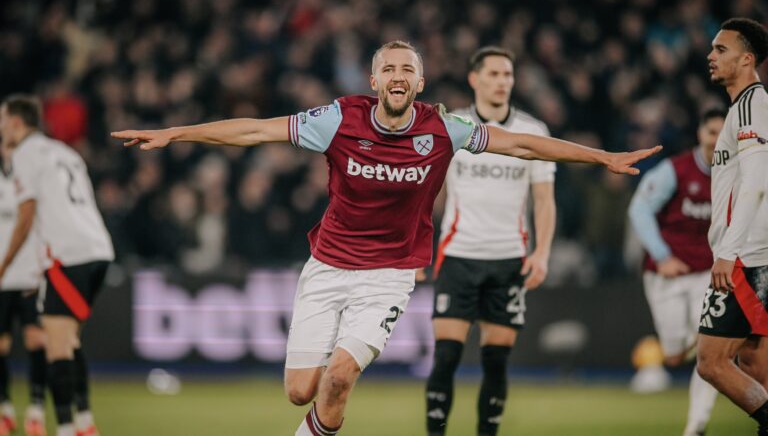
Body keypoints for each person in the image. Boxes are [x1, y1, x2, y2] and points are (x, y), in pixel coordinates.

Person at [112, 40, 660, 436]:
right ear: (374, 81)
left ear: (419, 83)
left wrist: (601, 157)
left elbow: (522, 146)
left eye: (408, 69)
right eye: (388, 68)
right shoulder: (337, 120)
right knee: (302, 390)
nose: (398, 75)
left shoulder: (443, 128)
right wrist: (176, 133)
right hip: (326, 267)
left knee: (340, 377)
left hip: (389, 276)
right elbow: (255, 130)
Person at [424, 46, 555, 436]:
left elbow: (544, 201)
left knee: (496, 361)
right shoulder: (453, 126)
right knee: (446, 357)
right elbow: (429, 195)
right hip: (458, 256)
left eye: (508, 75)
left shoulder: (532, 132)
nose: (502, 82)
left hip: (509, 259)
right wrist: (418, 248)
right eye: (494, 74)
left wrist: (542, 252)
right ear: (474, 79)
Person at [0, 95, 115, 436]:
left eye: (2, 120)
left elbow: (26, 215)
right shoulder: (66, 152)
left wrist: (4, 265)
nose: (1, 128)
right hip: (98, 250)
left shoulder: (24, 154)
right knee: (70, 343)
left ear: (18, 123)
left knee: (57, 346)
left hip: (67, 255)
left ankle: (66, 428)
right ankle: (84, 423)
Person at [628, 109, 726, 436]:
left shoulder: (736, 173)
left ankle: (696, 426)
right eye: (711, 131)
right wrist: (663, 255)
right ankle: (678, 346)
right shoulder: (675, 170)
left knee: (708, 354)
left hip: (707, 274)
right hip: (666, 273)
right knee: (673, 352)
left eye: (722, 132)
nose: (716, 139)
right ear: (701, 133)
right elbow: (639, 209)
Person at [694, 17, 768, 436]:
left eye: (720, 49)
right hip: (755, 254)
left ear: (747, 59)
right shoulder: (745, 106)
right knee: (755, 367)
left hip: (746, 257)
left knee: (712, 362)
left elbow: (757, 182)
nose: (711, 55)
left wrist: (728, 250)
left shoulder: (752, 105)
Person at [0, 136, 47, 436]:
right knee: (1, 346)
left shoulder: (35, 184)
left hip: (30, 275)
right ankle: (4, 409)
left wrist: (43, 269)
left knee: (36, 341)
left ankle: (36, 410)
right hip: (3, 278)